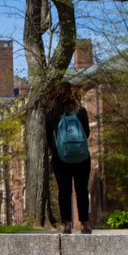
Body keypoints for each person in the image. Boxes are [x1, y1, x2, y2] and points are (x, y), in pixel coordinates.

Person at [44, 81, 92, 234]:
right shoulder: (81, 112)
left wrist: (57, 150)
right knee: (82, 190)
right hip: (82, 157)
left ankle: (67, 224)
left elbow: (48, 137)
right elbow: (86, 133)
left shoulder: (52, 114)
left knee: (64, 191)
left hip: (61, 158)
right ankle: (85, 223)